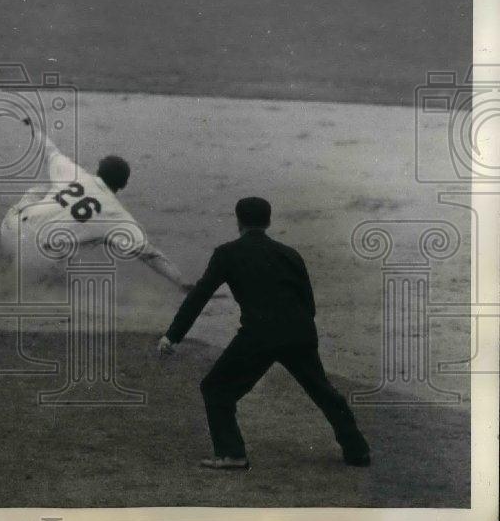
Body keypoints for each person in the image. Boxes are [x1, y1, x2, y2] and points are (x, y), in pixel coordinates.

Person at [158, 197, 369, 469]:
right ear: (268, 221)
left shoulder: (227, 253)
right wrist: (299, 330)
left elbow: (199, 296)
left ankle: (231, 453)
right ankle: (357, 451)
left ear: (238, 221)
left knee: (216, 387)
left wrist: (172, 336)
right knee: (323, 391)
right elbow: (308, 301)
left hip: (259, 334)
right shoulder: (290, 253)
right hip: (300, 331)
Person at [0, 116, 193, 290]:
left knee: (38, 192)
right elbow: (150, 255)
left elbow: (50, 150)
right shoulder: (117, 216)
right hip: (36, 259)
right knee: (73, 250)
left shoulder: (75, 173)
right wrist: (180, 280)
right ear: (123, 185)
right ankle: (41, 283)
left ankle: (5, 262)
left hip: (10, 229)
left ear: (98, 170)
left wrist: (35, 129)